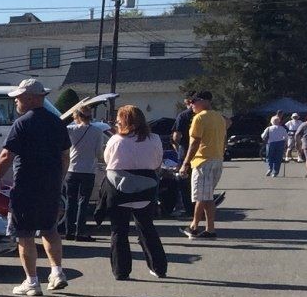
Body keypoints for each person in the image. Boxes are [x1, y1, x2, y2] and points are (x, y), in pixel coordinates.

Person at [0, 79, 71, 297]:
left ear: (32, 98)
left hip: (26, 184)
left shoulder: (23, 123)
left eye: (19, 97)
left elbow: (7, 154)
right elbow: (65, 156)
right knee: (50, 229)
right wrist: (59, 180)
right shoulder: (57, 122)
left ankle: (32, 281)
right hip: (51, 185)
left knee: (24, 234)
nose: (16, 101)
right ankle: (57, 272)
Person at [102, 105, 168, 279]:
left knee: (118, 230)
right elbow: (157, 162)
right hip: (146, 187)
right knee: (147, 227)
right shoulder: (154, 139)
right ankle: (158, 267)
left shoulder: (115, 140)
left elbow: (107, 160)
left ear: (123, 121)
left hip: (119, 187)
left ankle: (121, 271)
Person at [179, 92, 228, 238]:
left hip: (203, 160)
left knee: (200, 196)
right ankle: (210, 228)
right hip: (217, 159)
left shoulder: (199, 118)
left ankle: (194, 227)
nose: (191, 105)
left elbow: (194, 143)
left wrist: (185, 163)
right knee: (207, 197)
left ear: (204, 101)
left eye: (194, 101)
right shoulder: (219, 118)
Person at [64, 101, 105, 240]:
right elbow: (99, 152)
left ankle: (68, 231)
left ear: (78, 116)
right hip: (88, 170)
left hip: (72, 169)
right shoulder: (97, 131)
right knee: (83, 201)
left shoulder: (71, 129)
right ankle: (79, 231)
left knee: (71, 201)